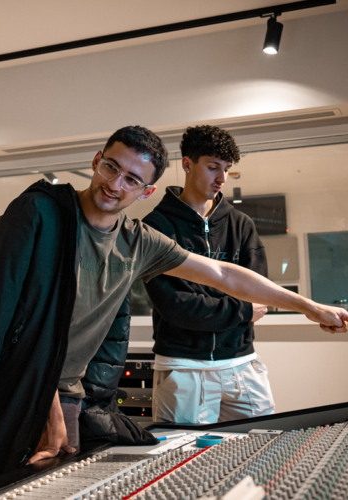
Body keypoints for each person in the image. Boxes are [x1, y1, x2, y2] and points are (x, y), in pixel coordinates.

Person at [0, 125, 348, 497]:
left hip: (66, 397)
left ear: (147, 189)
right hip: (2, 393)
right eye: (111, 167)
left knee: (49, 489)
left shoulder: (139, 241)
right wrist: (46, 404)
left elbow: (225, 274)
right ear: (97, 159)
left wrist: (308, 306)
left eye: (132, 180)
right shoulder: (38, 214)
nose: (115, 185)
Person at [142, 125, 272, 425]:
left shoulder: (241, 225)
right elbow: (177, 306)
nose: (222, 178)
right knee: (181, 461)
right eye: (213, 167)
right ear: (187, 164)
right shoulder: (156, 228)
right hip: (182, 366)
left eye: (227, 169)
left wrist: (237, 306)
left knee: (262, 451)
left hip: (242, 362)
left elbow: (259, 295)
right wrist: (242, 310)